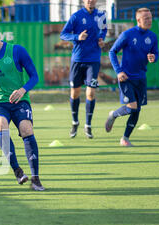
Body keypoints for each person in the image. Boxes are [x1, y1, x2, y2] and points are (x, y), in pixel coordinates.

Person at [0, 22, 44, 190]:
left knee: (26, 129)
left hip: (18, 100)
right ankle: (17, 170)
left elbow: (34, 76)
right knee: (1, 125)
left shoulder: (17, 50)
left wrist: (23, 89)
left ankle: (36, 178)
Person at [105, 8, 158, 147]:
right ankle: (114, 115)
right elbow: (112, 51)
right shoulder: (127, 34)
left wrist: (154, 57)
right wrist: (118, 71)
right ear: (138, 20)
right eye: (146, 18)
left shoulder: (152, 36)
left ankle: (125, 139)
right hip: (126, 77)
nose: (149, 20)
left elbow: (155, 53)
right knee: (132, 107)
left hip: (141, 78)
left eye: (150, 18)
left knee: (137, 109)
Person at [60, 0, 107, 139]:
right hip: (78, 60)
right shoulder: (76, 16)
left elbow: (103, 30)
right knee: (75, 94)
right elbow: (63, 34)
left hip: (93, 60)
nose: (90, 1)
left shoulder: (102, 15)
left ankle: (88, 125)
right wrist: (77, 37)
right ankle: (75, 122)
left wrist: (101, 39)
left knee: (91, 93)